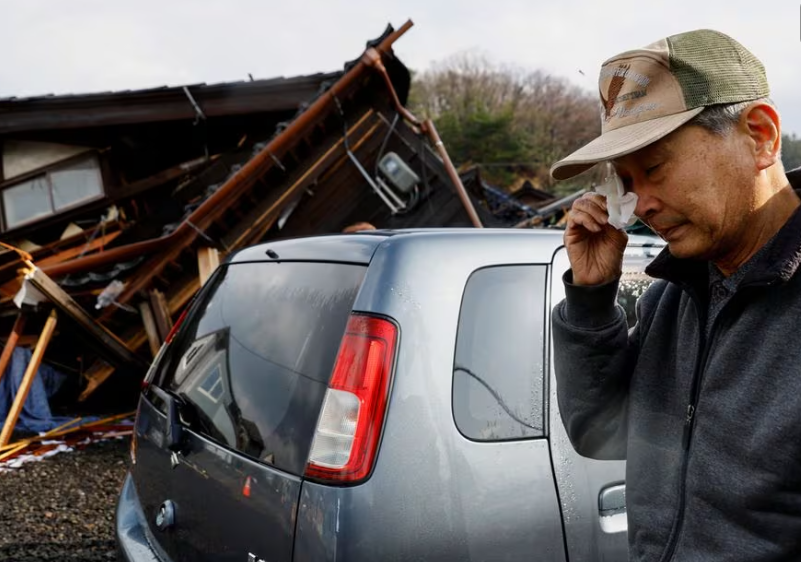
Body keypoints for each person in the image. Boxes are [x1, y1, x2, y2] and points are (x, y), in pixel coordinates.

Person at [550, 29, 801, 561]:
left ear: (760, 136)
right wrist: (592, 301)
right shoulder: (676, 296)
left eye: (656, 168)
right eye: (626, 179)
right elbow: (599, 433)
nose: (640, 203)